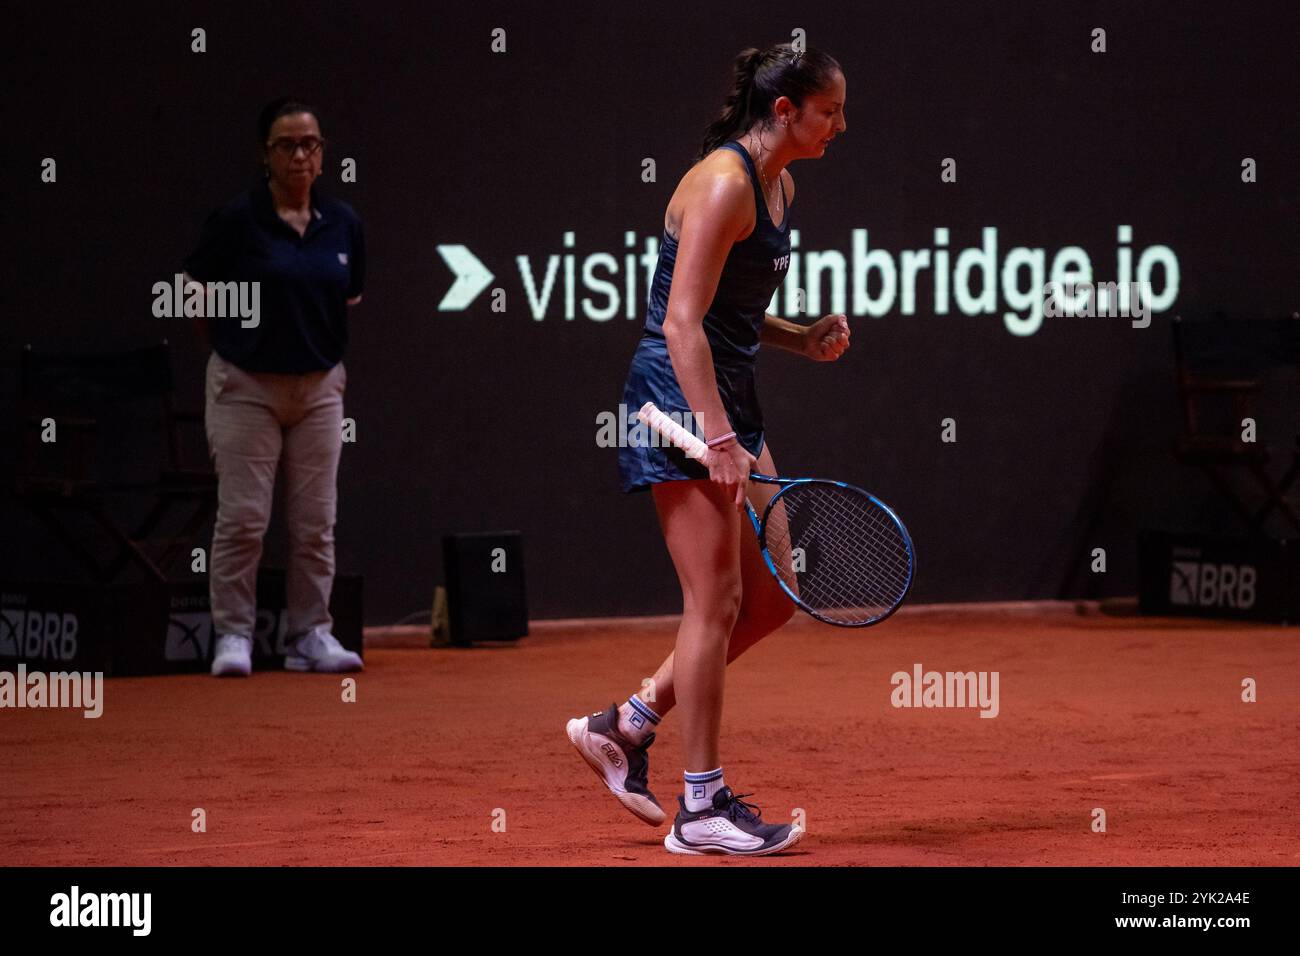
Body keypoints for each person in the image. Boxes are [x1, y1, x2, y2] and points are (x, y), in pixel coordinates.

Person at [567, 44, 850, 855]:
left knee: (774, 598)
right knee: (715, 601)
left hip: (726, 401)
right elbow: (679, 322)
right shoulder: (726, 185)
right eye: (830, 111)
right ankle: (702, 810)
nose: (841, 125)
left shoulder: (779, 183)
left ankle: (626, 723)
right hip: (677, 403)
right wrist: (717, 437)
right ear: (786, 111)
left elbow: (731, 314)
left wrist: (802, 337)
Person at [183, 97, 366, 677]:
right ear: (266, 155)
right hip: (245, 388)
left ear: (322, 153)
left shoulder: (343, 224)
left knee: (316, 523)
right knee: (242, 519)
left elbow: (346, 301)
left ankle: (310, 635)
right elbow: (193, 292)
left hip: (318, 391)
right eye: (286, 145)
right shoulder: (237, 220)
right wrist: (232, 353)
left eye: (310, 144)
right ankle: (233, 636)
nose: (299, 156)